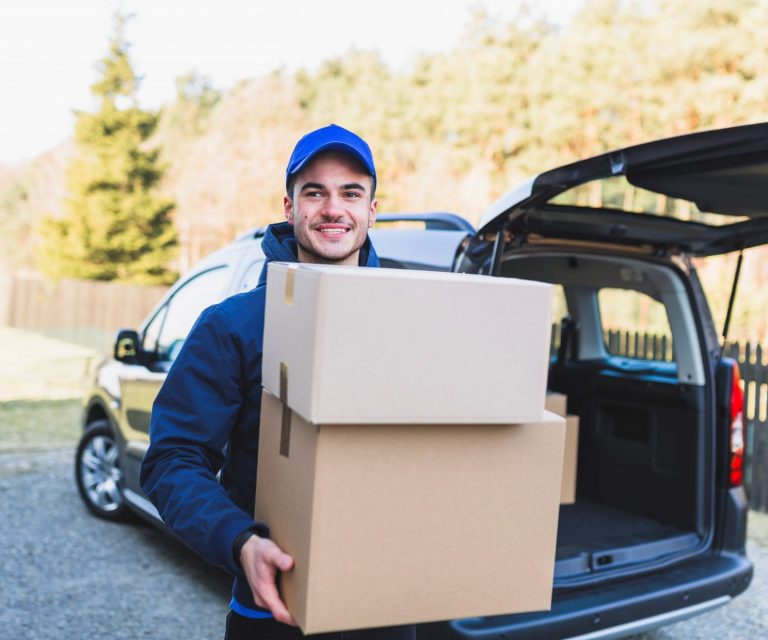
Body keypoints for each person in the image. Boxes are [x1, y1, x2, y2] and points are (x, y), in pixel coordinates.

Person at [140, 125, 416, 640]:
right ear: (289, 208)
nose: (333, 208)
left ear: (372, 210)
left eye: (351, 193)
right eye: (315, 192)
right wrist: (240, 541)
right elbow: (172, 459)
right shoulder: (232, 326)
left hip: (387, 607)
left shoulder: (409, 316)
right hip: (273, 608)